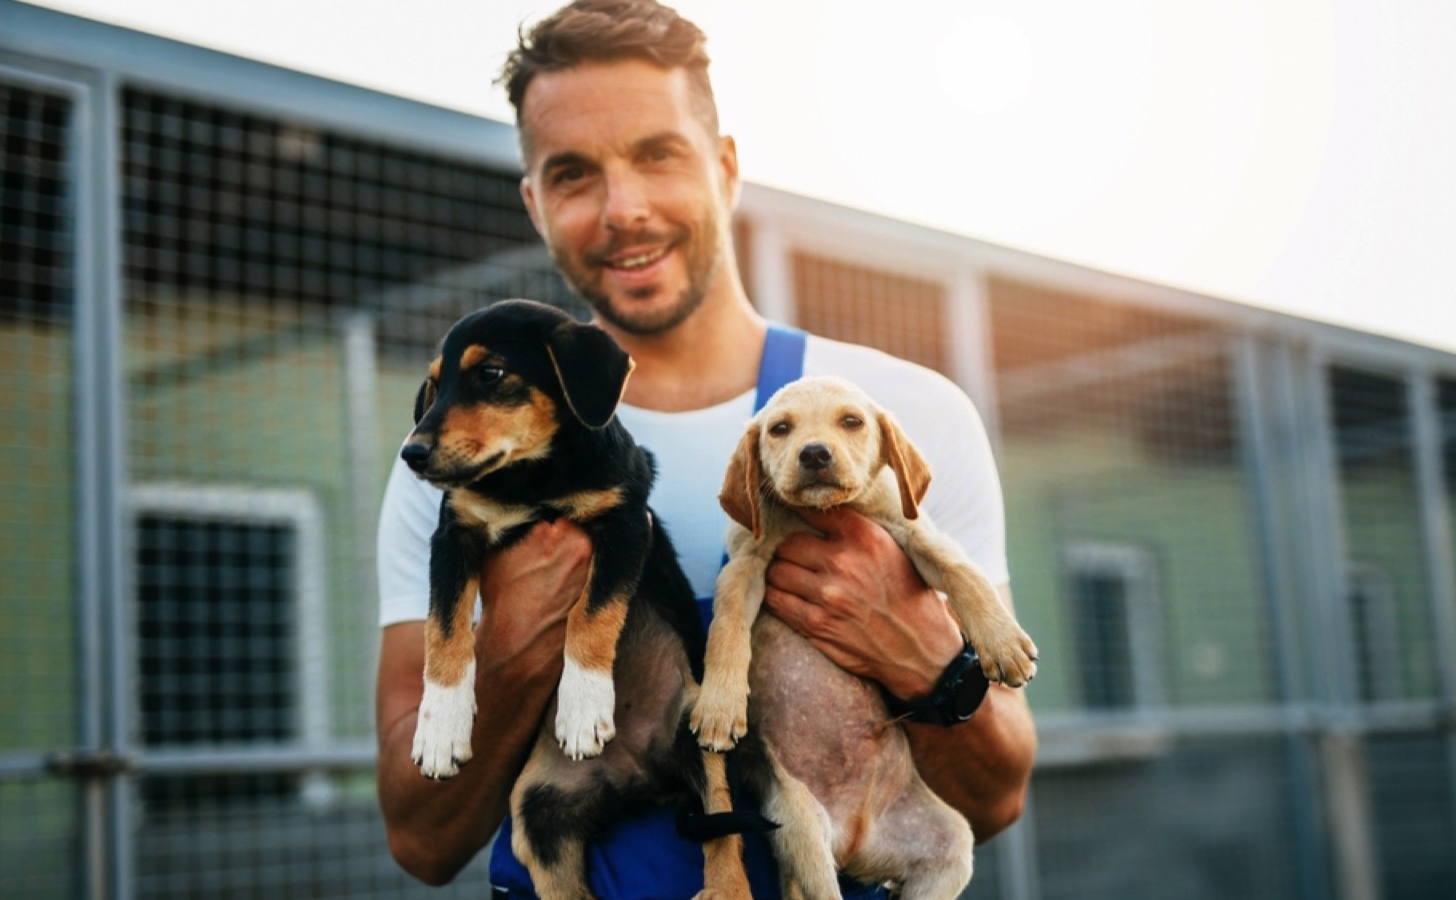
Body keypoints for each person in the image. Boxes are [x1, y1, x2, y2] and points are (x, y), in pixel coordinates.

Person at [373, 0, 1037, 894]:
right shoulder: (464, 464)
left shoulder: (901, 416)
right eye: (573, 174)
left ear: (725, 167)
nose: (624, 209)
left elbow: (995, 801)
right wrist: (516, 650)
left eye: (659, 154)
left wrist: (922, 657)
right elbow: (420, 839)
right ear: (534, 202)